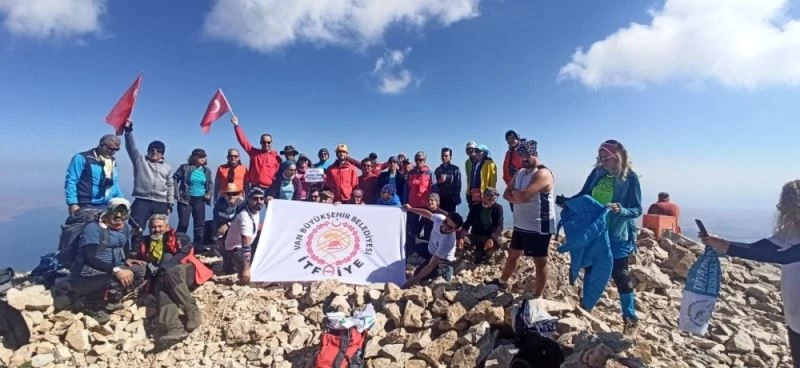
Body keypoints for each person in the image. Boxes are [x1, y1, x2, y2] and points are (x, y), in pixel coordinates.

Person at [700, 180, 800, 367]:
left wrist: (729, 247)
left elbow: (786, 256)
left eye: (785, 204)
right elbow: (761, 247)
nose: (780, 208)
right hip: (795, 315)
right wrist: (723, 244)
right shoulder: (792, 230)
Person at [565, 139, 642, 333]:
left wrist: (620, 209)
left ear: (617, 157)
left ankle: (630, 318)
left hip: (617, 234)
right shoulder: (597, 173)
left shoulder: (629, 178)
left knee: (620, 274)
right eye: (599, 157)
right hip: (595, 232)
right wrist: (567, 202)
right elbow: (584, 195)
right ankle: (586, 308)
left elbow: (637, 209)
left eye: (605, 158)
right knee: (590, 269)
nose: (601, 161)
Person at [489, 139, 555, 299]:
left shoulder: (542, 173)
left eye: (526, 157)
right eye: (521, 158)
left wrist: (518, 194)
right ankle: (502, 281)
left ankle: (538, 295)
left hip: (539, 225)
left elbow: (524, 196)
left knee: (539, 261)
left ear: (534, 154)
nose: (523, 161)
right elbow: (506, 194)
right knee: (513, 254)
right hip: (521, 224)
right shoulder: (520, 173)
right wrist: (518, 195)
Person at [135, 215, 212, 344]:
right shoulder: (146, 243)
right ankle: (173, 327)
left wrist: (165, 266)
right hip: (164, 278)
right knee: (161, 289)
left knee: (170, 272)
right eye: (153, 227)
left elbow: (184, 252)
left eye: (160, 226)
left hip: (185, 272)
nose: (157, 229)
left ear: (166, 226)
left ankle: (191, 309)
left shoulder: (179, 236)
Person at [68, 198, 145, 323]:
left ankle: (110, 299)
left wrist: (127, 259)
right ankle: (87, 304)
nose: (119, 216)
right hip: (87, 275)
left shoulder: (124, 228)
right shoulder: (93, 229)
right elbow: (89, 257)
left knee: (142, 270)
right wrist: (116, 270)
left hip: (111, 270)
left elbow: (123, 244)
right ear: (108, 211)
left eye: (123, 213)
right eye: (115, 212)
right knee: (112, 280)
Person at [122, 121, 173, 238]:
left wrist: (170, 203)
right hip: (142, 200)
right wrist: (128, 132)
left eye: (158, 151)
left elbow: (170, 185)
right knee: (137, 228)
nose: (155, 152)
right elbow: (131, 147)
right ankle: (135, 251)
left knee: (160, 229)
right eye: (152, 149)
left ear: (162, 153)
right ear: (148, 150)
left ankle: (157, 253)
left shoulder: (167, 167)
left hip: (161, 202)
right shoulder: (140, 161)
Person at [402, 204, 464, 288]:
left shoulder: (448, 242)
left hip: (443, 259)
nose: (444, 226)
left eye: (449, 227)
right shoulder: (439, 219)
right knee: (412, 244)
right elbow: (426, 213)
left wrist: (410, 282)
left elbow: (431, 265)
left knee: (420, 276)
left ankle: (446, 270)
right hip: (431, 249)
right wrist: (411, 209)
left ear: (455, 229)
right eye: (445, 222)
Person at [65, 134, 124, 215]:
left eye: (117, 150)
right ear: (101, 145)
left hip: (106, 205)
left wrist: (121, 200)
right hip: (85, 204)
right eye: (111, 149)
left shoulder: (111, 161)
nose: (113, 152)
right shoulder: (82, 158)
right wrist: (72, 203)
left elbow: (114, 183)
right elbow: (71, 180)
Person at [223, 188, 266, 284]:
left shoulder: (254, 209)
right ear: (249, 200)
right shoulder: (245, 216)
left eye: (261, 198)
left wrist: (270, 201)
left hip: (248, 242)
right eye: (255, 199)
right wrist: (246, 269)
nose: (259, 201)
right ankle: (232, 263)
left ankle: (231, 264)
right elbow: (245, 244)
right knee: (252, 276)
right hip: (236, 248)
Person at [173, 149, 213, 248]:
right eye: (200, 156)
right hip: (186, 200)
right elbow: (174, 178)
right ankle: (178, 246)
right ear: (194, 157)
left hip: (200, 200)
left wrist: (209, 193)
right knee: (183, 224)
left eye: (204, 156)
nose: (202, 158)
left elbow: (210, 184)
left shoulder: (207, 171)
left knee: (199, 225)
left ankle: (197, 247)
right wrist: (176, 193)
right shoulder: (185, 167)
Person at [231, 116, 282, 190]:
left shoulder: (276, 158)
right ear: (260, 142)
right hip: (254, 187)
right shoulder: (254, 153)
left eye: (268, 142)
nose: (266, 144)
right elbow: (243, 141)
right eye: (264, 142)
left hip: (269, 190)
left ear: (271, 143)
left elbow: (279, 175)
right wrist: (236, 126)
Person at [405, 151, 437, 256]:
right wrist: (405, 202)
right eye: (417, 160)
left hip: (426, 206)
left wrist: (434, 205)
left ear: (425, 160)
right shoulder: (411, 173)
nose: (419, 162)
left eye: (421, 160)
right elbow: (407, 189)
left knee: (428, 230)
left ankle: (427, 253)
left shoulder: (430, 173)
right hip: (412, 205)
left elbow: (434, 190)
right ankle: (410, 251)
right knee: (411, 230)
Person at [460, 188, 504, 264]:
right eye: (484, 198)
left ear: (494, 200)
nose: (486, 201)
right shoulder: (475, 207)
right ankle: (476, 251)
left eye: (489, 200)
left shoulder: (498, 208)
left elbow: (499, 225)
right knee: (464, 240)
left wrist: (492, 238)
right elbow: (468, 221)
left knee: (499, 241)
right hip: (477, 235)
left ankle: (489, 253)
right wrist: (462, 233)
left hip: (489, 236)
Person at [212, 184, 244, 258]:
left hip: (238, 233)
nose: (231, 196)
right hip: (224, 233)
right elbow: (215, 222)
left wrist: (228, 225)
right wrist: (217, 237)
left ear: (237, 195)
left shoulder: (241, 204)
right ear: (224, 195)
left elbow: (241, 219)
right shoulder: (218, 205)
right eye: (229, 194)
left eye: (234, 194)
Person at [434, 147, 462, 213]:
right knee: (441, 219)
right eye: (442, 155)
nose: (444, 157)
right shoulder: (438, 170)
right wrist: (438, 181)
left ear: (450, 157)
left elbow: (458, 184)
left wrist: (455, 198)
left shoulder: (455, 169)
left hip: (451, 199)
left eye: (446, 156)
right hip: (440, 199)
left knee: (450, 219)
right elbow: (434, 184)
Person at [503, 130, 523, 211]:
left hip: (521, 187)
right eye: (508, 138)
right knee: (515, 212)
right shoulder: (508, 152)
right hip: (511, 186)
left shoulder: (523, 150)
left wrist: (519, 173)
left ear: (518, 138)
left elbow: (532, 166)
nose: (510, 140)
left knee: (522, 212)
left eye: (512, 138)